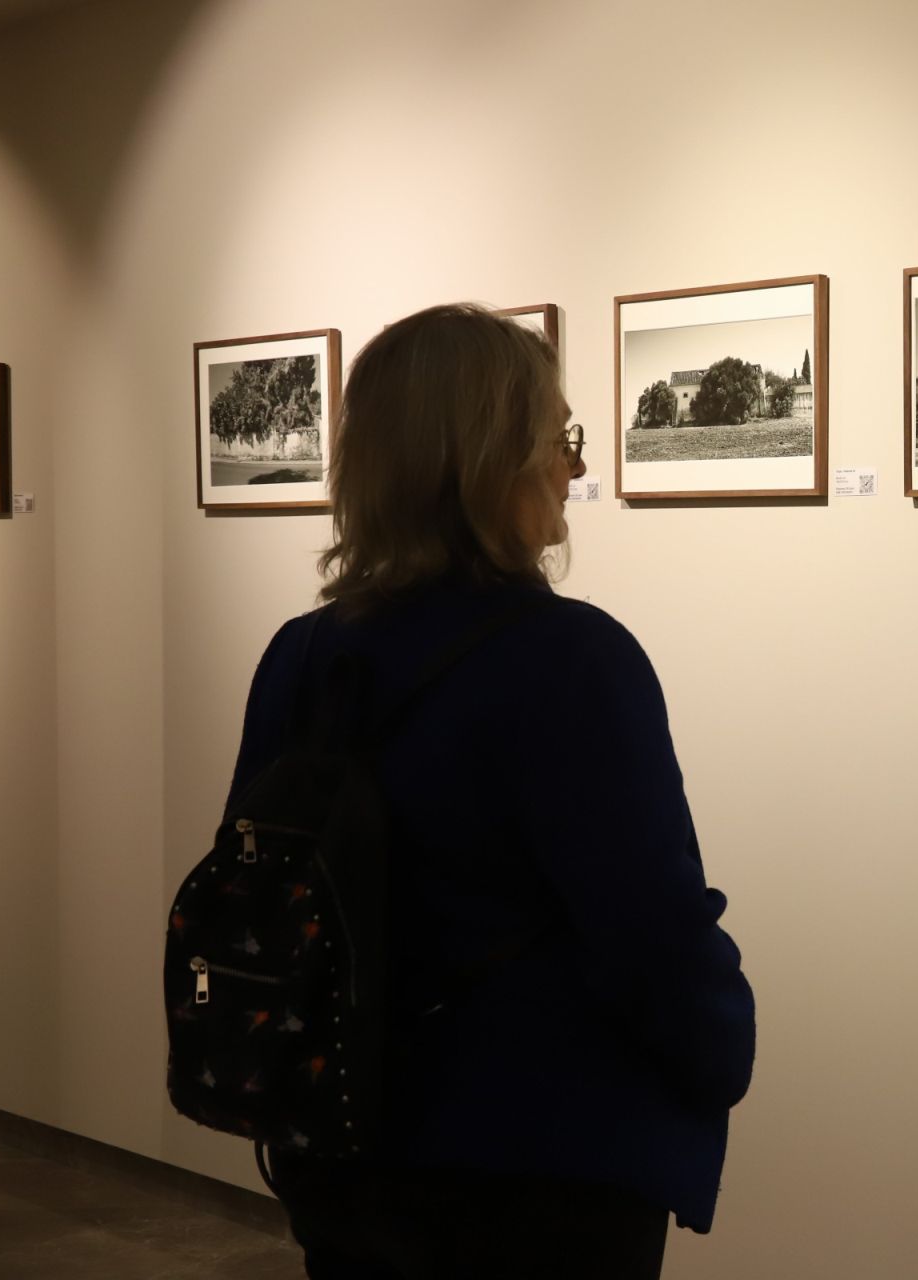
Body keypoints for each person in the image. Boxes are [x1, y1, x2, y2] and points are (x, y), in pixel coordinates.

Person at [226, 303, 755, 1278]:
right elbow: (650, 928)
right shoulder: (573, 661)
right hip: (538, 1167)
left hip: (341, 1140)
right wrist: (725, 1043)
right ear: (490, 461)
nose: (576, 467)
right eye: (560, 440)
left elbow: (260, 892)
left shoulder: (301, 656)